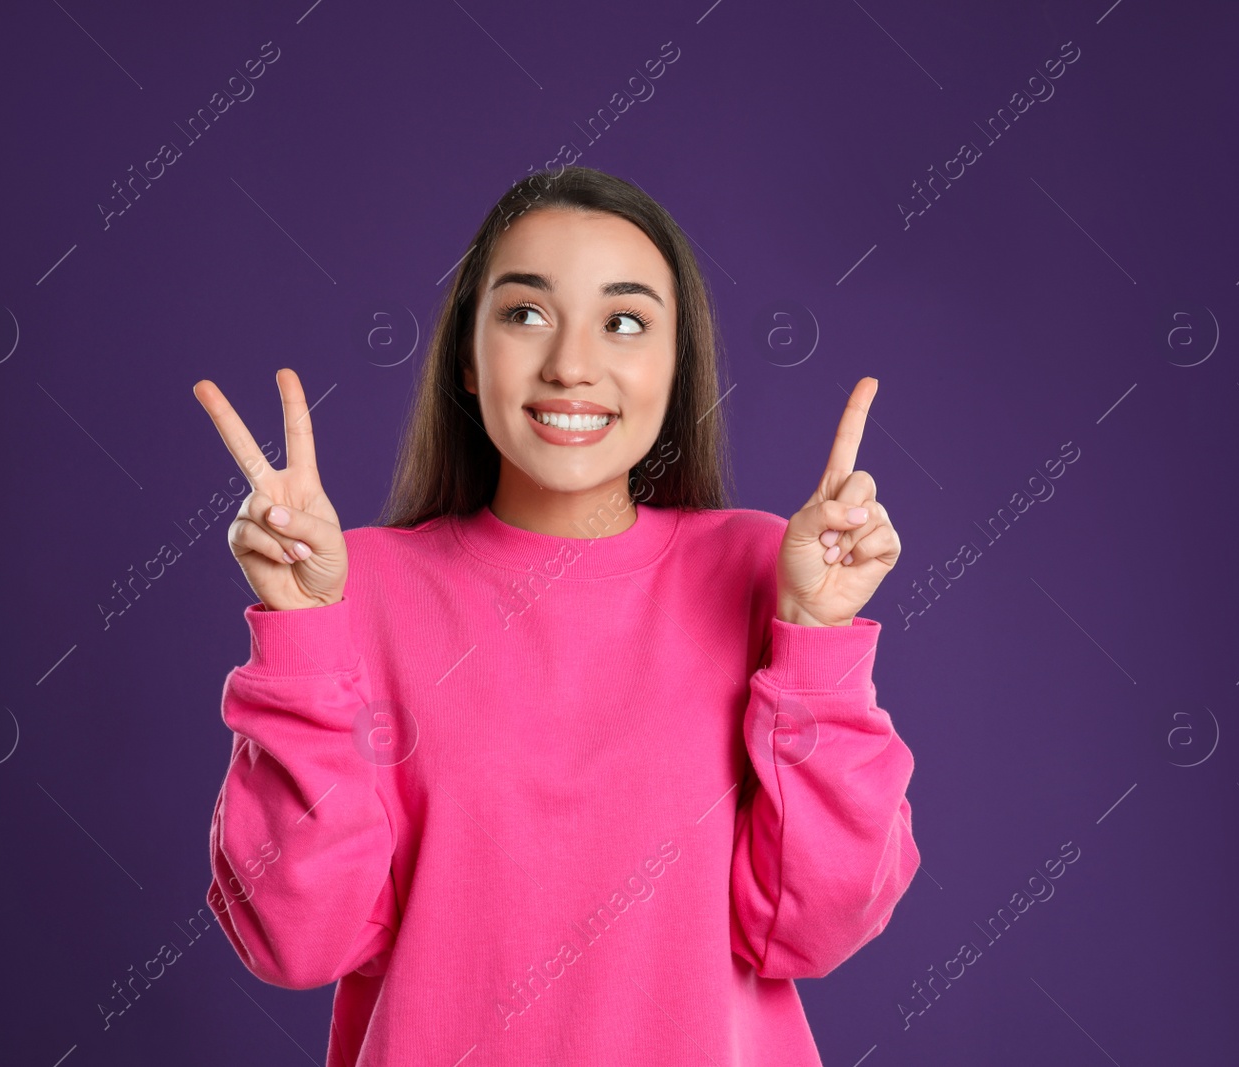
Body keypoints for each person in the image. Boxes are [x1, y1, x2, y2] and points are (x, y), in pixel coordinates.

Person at [193, 166, 919, 1066]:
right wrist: (301, 636)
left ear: (675, 362)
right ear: (467, 353)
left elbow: (815, 924)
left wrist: (812, 641)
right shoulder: (357, 587)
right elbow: (298, 941)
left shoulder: (760, 569)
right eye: (526, 313)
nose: (572, 363)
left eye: (624, 321)